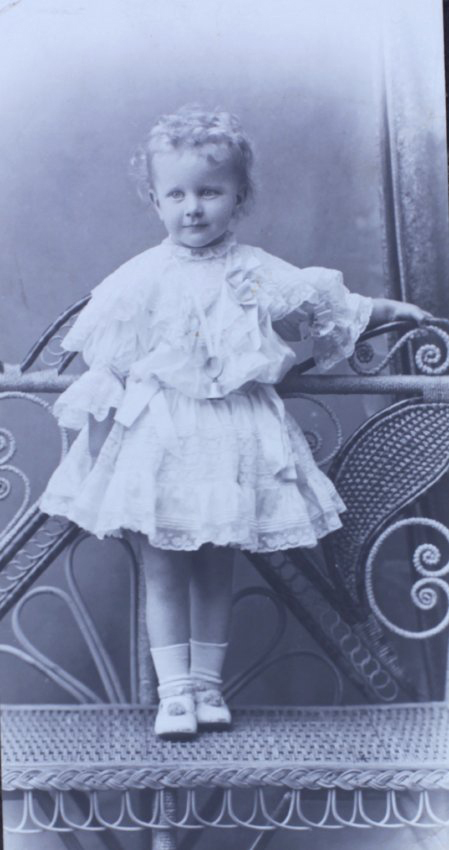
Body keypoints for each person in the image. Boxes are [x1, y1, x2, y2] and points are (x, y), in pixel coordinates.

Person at [39, 105, 430, 738]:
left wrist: (388, 309)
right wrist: (100, 451)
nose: (193, 208)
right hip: (162, 441)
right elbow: (104, 358)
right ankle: (174, 695)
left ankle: (209, 688)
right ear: (155, 200)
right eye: (177, 194)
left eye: (210, 192)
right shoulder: (141, 277)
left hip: (229, 440)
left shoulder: (253, 270)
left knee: (217, 563)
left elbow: (321, 301)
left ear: (239, 197)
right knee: (165, 566)